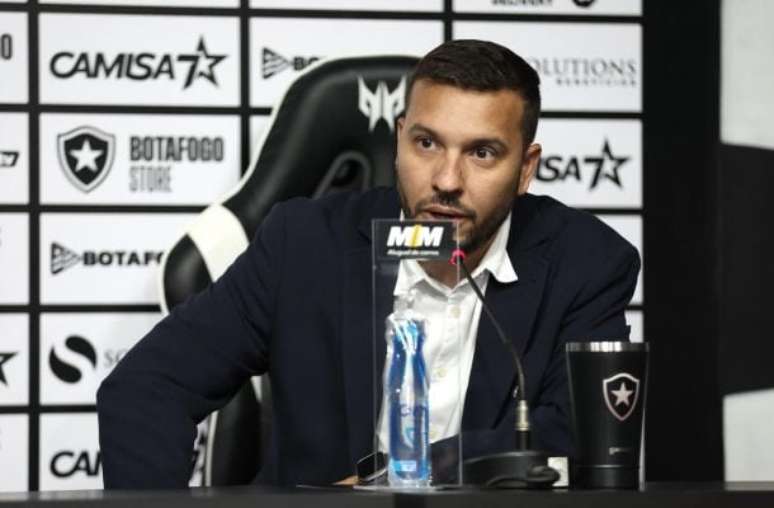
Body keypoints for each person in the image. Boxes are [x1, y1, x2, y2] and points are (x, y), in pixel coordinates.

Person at [97, 39, 640, 489]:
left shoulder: (586, 262)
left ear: (525, 168)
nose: (447, 180)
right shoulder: (304, 245)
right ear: (399, 139)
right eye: (426, 143)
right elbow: (148, 386)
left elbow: (583, 434)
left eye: (481, 153)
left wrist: (405, 476)